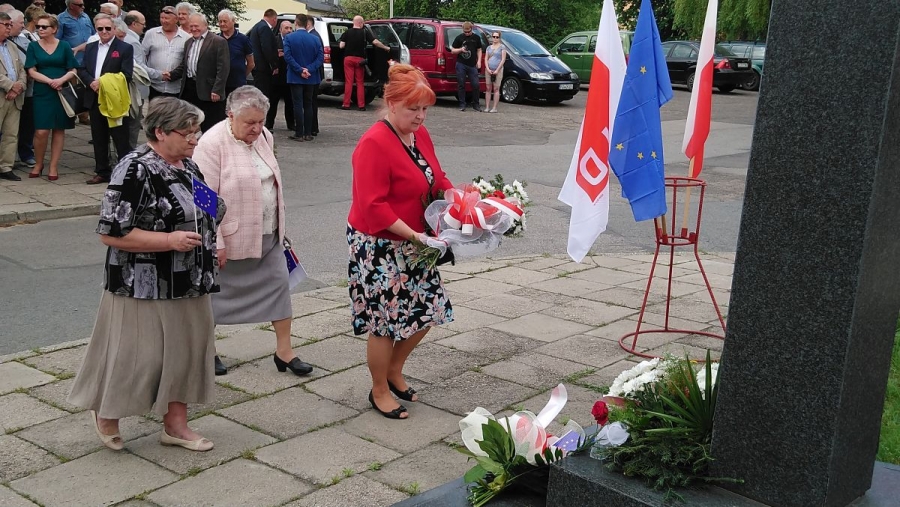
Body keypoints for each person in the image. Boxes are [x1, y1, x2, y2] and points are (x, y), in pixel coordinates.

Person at [67, 97, 224, 453]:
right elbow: (111, 233)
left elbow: (212, 209)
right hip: (142, 282)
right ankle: (107, 412)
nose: (195, 139)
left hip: (190, 278)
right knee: (138, 356)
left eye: (197, 131)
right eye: (187, 132)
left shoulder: (188, 165)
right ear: (160, 132)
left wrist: (217, 242)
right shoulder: (134, 169)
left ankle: (176, 426)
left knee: (186, 353)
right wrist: (169, 240)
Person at [347, 64, 455, 420]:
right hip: (378, 244)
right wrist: (416, 236)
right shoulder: (374, 143)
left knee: (429, 309)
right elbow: (373, 206)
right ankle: (379, 389)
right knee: (384, 321)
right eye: (413, 109)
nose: (420, 116)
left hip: (415, 240)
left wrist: (460, 199)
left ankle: (394, 370)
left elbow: (435, 177)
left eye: (425, 109)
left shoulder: (417, 134)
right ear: (391, 104)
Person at [193, 85, 314, 378]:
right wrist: (216, 242)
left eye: (261, 121)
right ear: (230, 115)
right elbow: (203, 199)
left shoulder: (265, 137)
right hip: (230, 239)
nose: (257, 129)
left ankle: (284, 352)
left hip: (268, 233)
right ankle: (206, 351)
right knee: (213, 297)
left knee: (278, 287)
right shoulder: (210, 144)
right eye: (250, 122)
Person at [80, 13, 133, 185]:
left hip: (114, 99)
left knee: (120, 137)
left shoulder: (124, 48)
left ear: (114, 28)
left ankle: (125, 172)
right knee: (98, 136)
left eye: (107, 28)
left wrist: (102, 82)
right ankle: (102, 171)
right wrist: (91, 82)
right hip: (94, 96)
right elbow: (82, 69)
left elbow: (126, 74)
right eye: (100, 28)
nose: (104, 31)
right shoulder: (90, 47)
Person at [25, 13, 78, 181]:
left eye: (44, 26)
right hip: (42, 91)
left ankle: (53, 166)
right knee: (41, 130)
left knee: (59, 128)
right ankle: (39, 163)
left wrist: (61, 80)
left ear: (54, 29)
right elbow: (31, 70)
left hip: (61, 91)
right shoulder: (33, 46)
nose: (40, 29)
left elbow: (73, 69)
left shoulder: (64, 46)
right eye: (38, 26)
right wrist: (50, 81)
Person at [169, 13, 229, 132]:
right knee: (190, 123)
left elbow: (223, 68)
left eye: (196, 26)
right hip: (189, 89)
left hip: (209, 91)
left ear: (205, 25)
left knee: (210, 125)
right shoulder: (188, 42)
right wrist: (170, 75)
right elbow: (185, 65)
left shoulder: (218, 41)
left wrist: (217, 89)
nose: (193, 29)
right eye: (191, 26)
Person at [338, 15, 389, 111]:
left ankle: (346, 104)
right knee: (360, 83)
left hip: (348, 59)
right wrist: (385, 47)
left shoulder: (347, 32)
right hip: (359, 60)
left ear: (354, 22)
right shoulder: (365, 32)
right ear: (360, 23)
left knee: (349, 82)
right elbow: (375, 42)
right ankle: (361, 105)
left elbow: (341, 46)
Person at [283, 13, 321, 142]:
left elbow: (288, 56)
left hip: (295, 76)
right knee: (308, 104)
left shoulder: (289, 38)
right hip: (311, 76)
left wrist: (300, 70)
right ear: (307, 24)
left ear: (296, 23)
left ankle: (299, 133)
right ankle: (308, 133)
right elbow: (320, 58)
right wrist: (309, 69)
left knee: (297, 104)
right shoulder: (315, 39)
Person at [142, 5, 189, 100]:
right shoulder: (151, 33)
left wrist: (173, 75)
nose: (163, 21)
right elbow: (142, 57)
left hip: (176, 88)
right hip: (154, 86)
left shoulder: (186, 38)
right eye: (162, 18)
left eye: (167, 18)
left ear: (176, 19)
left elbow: (186, 62)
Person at [0, 11, 26, 182]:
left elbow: (22, 70)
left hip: (15, 98)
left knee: (11, 134)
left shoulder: (12, 46)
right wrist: (10, 85)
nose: (9, 28)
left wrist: (19, 86)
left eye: (10, 25)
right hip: (2, 94)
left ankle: (6, 167)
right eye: (6, 25)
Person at [13, 7, 39, 170]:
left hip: (27, 89)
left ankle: (26, 153)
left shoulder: (26, 40)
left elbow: (33, 60)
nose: (23, 25)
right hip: (8, 90)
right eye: (20, 23)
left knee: (27, 123)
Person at [217, 9, 253, 98]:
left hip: (237, 84)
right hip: (220, 85)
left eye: (225, 21)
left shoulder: (243, 39)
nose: (222, 24)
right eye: (220, 21)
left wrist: (242, 76)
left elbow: (251, 63)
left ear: (233, 21)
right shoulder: (216, 39)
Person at [247, 8, 278, 112]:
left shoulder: (257, 26)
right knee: (262, 96)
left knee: (259, 94)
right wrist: (274, 65)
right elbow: (266, 48)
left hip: (257, 66)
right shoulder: (265, 28)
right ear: (274, 19)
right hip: (262, 68)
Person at [266, 19, 293, 131]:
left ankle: (291, 124)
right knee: (273, 102)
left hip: (289, 77)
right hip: (276, 77)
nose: (289, 30)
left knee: (290, 102)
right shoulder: (274, 40)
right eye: (286, 28)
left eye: (290, 28)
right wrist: (277, 55)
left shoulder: (293, 41)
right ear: (281, 29)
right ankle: (269, 124)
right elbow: (268, 54)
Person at [451, 21, 482, 112]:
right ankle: (462, 104)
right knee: (461, 84)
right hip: (461, 64)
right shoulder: (459, 38)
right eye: (465, 32)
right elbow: (453, 50)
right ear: (463, 30)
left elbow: (479, 50)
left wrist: (479, 61)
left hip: (472, 65)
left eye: (468, 32)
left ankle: (476, 104)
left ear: (472, 29)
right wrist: (460, 50)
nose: (467, 33)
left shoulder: (476, 38)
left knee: (476, 84)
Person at [304, 15, 321, 136]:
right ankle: (314, 127)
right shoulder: (315, 35)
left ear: (308, 24)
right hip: (314, 72)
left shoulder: (314, 36)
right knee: (312, 101)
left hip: (312, 74)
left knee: (311, 101)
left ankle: (312, 127)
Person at [483, 31, 506, 113]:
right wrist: (487, 68)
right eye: (494, 37)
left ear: (499, 38)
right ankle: (487, 107)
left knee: (496, 88)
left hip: (498, 70)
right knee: (488, 88)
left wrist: (497, 70)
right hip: (489, 70)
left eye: (497, 37)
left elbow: (503, 59)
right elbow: (486, 58)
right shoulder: (488, 48)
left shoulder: (502, 47)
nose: (495, 38)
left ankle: (494, 107)